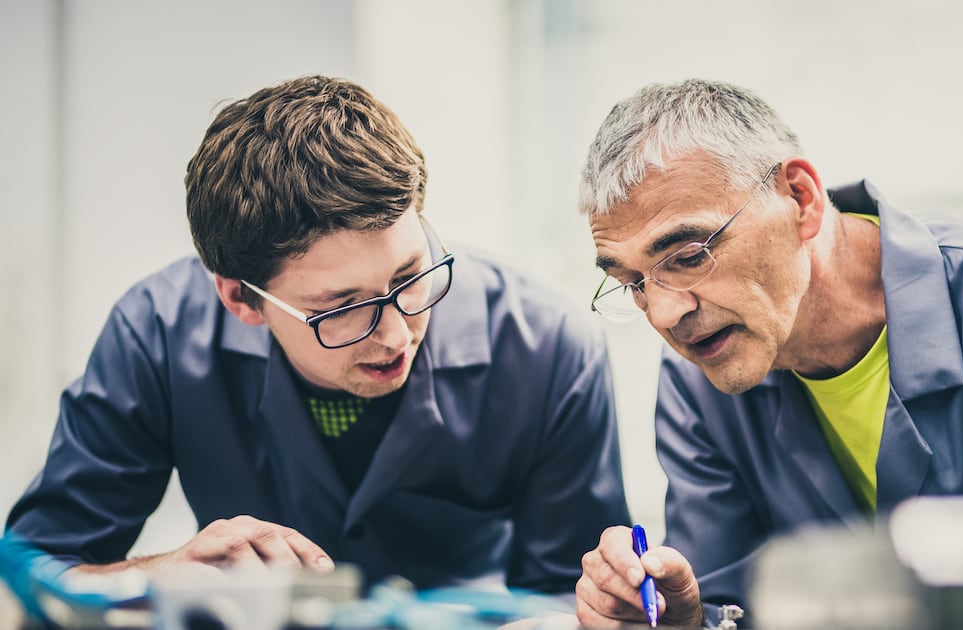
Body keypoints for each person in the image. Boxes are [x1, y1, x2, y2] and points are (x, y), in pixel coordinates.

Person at [573, 78, 963, 629]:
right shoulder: (702, 378)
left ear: (801, 199)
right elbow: (737, 607)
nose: (663, 314)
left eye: (688, 256)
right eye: (632, 281)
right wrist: (685, 623)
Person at [5, 75, 630, 595]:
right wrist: (163, 575)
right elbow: (34, 572)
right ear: (241, 299)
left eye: (410, 276)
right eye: (342, 308)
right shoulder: (155, 334)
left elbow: (577, 600)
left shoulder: (549, 345)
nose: (394, 334)